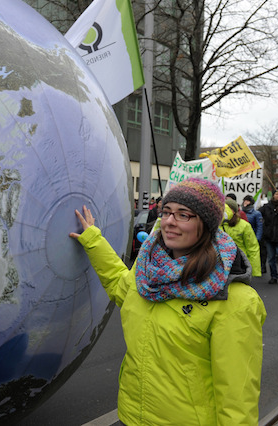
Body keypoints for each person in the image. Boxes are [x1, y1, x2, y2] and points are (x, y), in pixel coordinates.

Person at [69, 178, 266, 425]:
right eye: (167, 212)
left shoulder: (235, 301)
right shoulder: (146, 275)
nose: (170, 221)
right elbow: (121, 287)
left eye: (184, 215)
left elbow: (238, 397)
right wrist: (93, 240)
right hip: (131, 417)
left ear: (205, 224)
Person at [222, 198, 261, 276]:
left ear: (234, 211)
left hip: (239, 265)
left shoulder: (244, 225)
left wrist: (255, 270)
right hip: (221, 264)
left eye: (228, 209)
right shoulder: (217, 224)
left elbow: (252, 248)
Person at [242, 194, 266, 273]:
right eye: (245, 200)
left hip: (251, 237)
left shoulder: (256, 214)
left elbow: (259, 227)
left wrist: (257, 239)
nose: (245, 202)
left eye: (247, 201)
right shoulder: (241, 212)